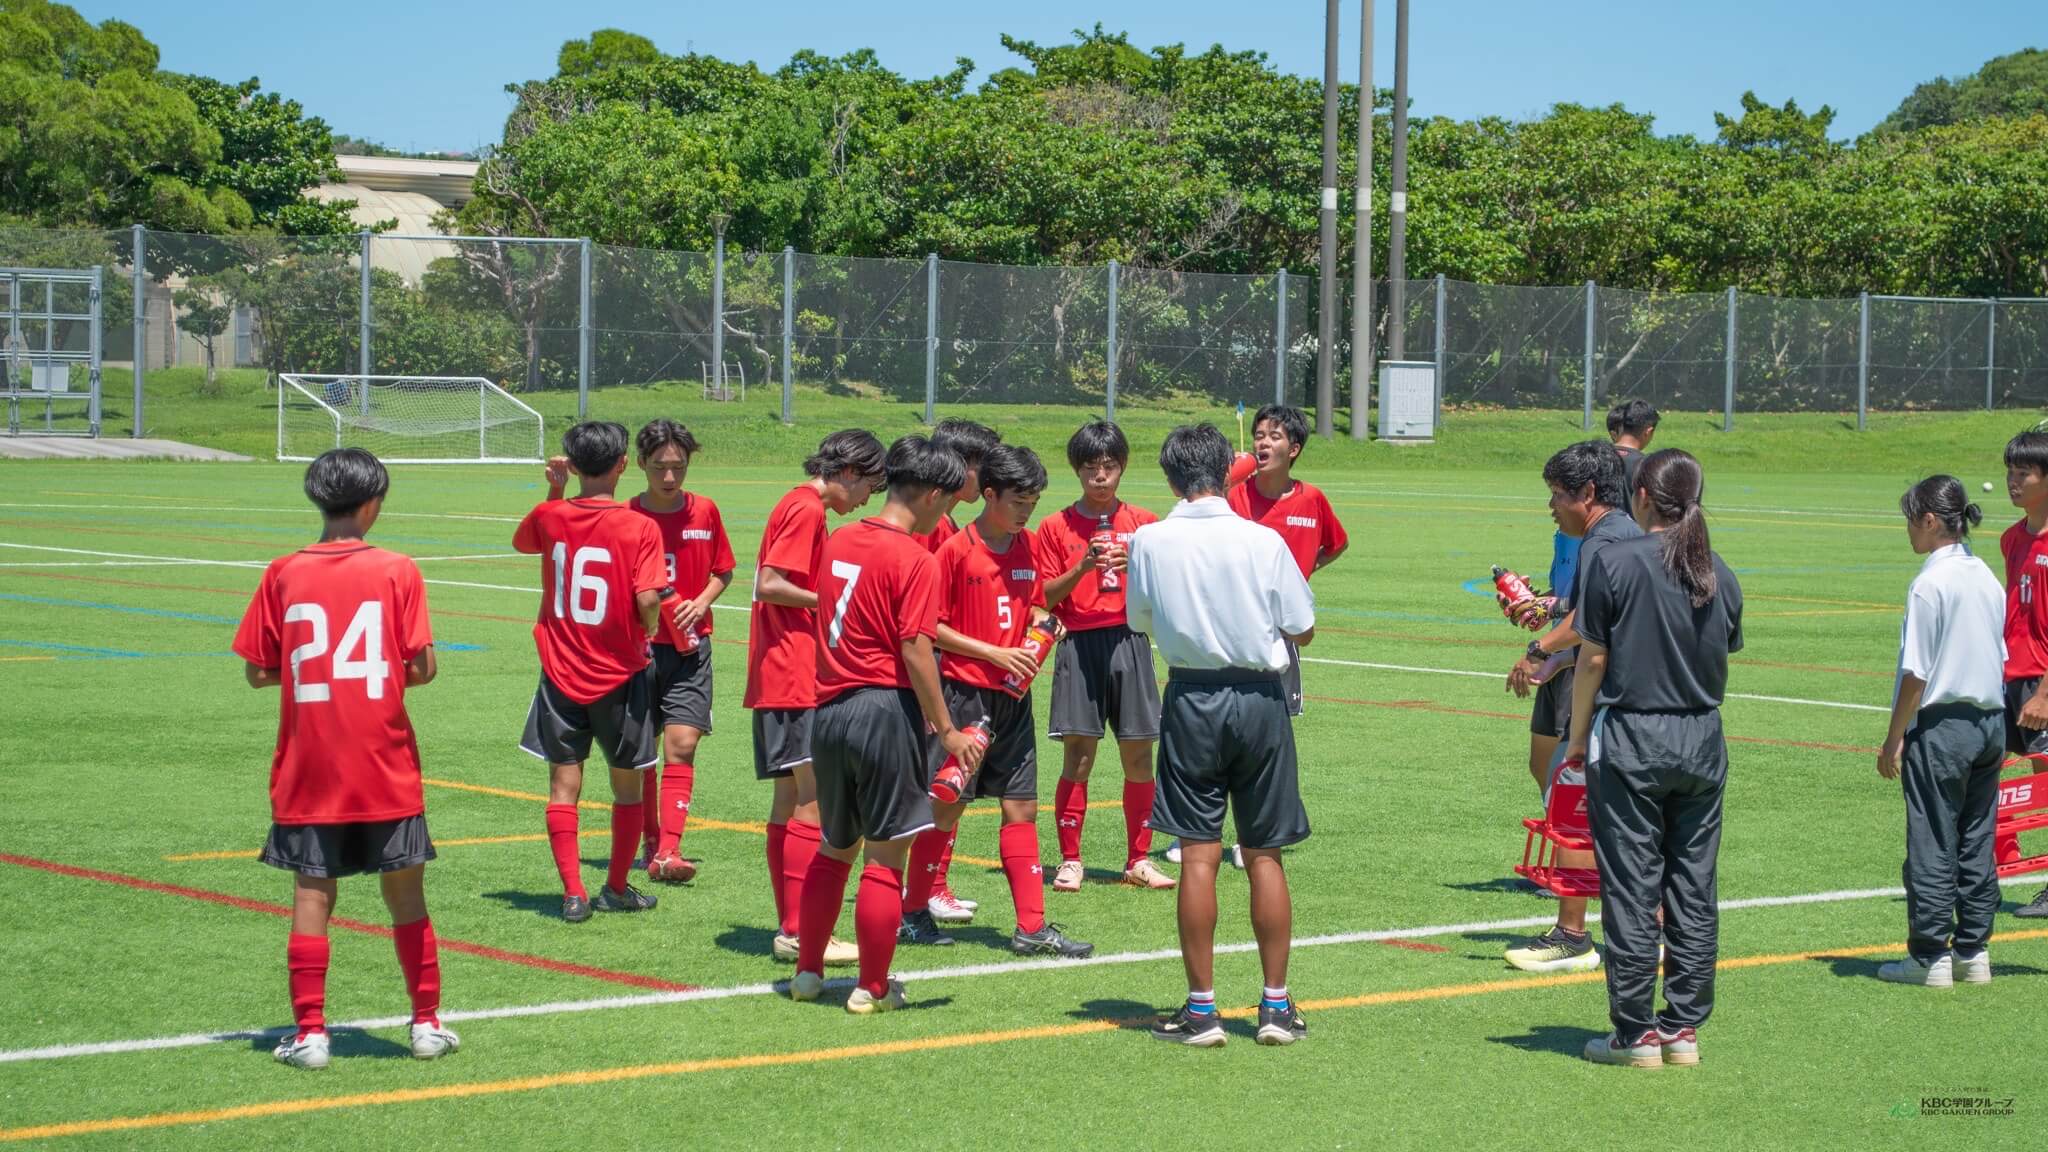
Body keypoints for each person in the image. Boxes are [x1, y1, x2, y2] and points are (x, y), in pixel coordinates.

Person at [235, 448, 458, 1069]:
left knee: (313, 895)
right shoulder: (397, 569)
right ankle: (426, 1024)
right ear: (372, 503)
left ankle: (311, 1034)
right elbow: (423, 667)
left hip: (310, 766)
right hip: (384, 761)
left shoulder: (283, 572)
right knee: (406, 896)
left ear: (317, 498)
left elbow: (257, 670)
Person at [1127, 423, 1315, 1049]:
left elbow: (1139, 619)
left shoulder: (1149, 539)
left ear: (1171, 478)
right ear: (1228, 472)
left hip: (1192, 696)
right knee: (1264, 853)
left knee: (1198, 855)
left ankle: (1202, 1010)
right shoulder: (1262, 538)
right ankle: (1275, 1007)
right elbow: (1302, 626)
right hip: (1260, 699)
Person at [788, 435, 985, 1014]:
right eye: (948, 500)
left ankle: (807, 971)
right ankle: (872, 987)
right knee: (884, 856)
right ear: (930, 495)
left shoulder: (840, 538)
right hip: (882, 710)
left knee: (835, 847)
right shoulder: (916, 558)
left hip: (829, 711)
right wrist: (947, 730)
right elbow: (916, 649)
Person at [1564, 448, 1743, 1069]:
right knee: (1693, 885)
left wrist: (1578, 736)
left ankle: (1636, 1031)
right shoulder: (1718, 571)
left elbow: (1592, 658)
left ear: (1642, 495)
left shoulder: (1614, 562)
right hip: (1702, 737)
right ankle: (1683, 1027)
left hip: (1635, 736)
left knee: (1633, 886)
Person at [898, 445, 1095, 957]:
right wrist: (993, 652)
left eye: (1033, 502)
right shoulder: (955, 551)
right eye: (1018, 502)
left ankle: (1032, 927)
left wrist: (1044, 628)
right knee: (946, 808)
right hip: (964, 695)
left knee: (1021, 806)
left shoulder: (1026, 546)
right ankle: (913, 912)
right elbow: (929, 628)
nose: (1026, 512)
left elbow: (1033, 607)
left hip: (1014, 699)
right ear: (989, 494)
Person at [517, 422, 668, 922]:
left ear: (574, 464)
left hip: (560, 669)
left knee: (564, 784)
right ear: (624, 464)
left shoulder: (552, 514)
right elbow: (649, 598)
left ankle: (573, 892)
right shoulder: (639, 526)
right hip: (620, 671)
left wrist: (556, 490)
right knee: (627, 787)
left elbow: (526, 541)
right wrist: (649, 628)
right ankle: (616, 887)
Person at [746, 429, 886, 965]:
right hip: (794, 671)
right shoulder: (806, 509)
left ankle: (792, 927)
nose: (868, 499)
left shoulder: (800, 504)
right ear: (848, 472)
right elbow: (769, 583)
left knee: (789, 800)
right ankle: (804, 931)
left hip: (779, 671)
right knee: (812, 799)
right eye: (868, 486)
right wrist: (833, 599)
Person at [1502, 441, 1641, 974]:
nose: (1552, 506)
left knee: (1572, 798)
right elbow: (1600, 626)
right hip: (1626, 693)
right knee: (1629, 817)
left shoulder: (1603, 543)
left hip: (1613, 699)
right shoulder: (1620, 535)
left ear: (1588, 492)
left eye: (1558, 494)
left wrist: (1541, 647)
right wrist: (1559, 661)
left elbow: (1586, 623)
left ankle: (1572, 935)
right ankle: (1649, 932)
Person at [1875, 477, 2005, 986]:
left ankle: (1930, 955)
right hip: (1989, 722)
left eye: (1911, 520)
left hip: (1943, 725)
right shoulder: (1985, 575)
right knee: (1977, 838)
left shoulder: (1930, 583)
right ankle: (1974, 949)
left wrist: (1894, 736)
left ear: (1930, 521)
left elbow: (1917, 674)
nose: (1907, 530)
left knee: (1932, 838)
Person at [1036, 420, 1172, 893]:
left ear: (1123, 467)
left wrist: (1134, 563)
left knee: (1139, 755)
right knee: (1078, 757)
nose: (1100, 476)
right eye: (1090, 467)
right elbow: (1043, 596)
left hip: (1130, 641)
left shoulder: (1146, 524)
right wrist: (1083, 567)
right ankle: (1070, 860)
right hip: (1079, 644)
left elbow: (1166, 587)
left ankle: (1139, 859)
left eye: (1109, 466)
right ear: (1076, 470)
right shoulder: (1054, 526)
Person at [627, 419, 735, 884]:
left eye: (679, 466)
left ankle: (669, 850)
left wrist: (702, 601)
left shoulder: (705, 511)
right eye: (659, 467)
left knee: (683, 743)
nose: (670, 477)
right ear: (640, 464)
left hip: (691, 648)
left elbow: (723, 570)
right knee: (643, 750)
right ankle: (651, 840)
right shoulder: (627, 516)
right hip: (639, 650)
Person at [911, 418, 1002, 923]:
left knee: (951, 784)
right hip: (930, 675)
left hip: (941, 672)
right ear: (961, 467)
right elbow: (924, 623)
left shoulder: (945, 525)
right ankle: (919, 890)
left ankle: (932, 885)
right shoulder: (933, 531)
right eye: (981, 467)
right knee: (941, 784)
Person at [1226, 403, 1349, 716]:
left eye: (1274, 436)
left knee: (1279, 717)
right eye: (1259, 436)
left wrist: (1302, 571)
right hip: (1235, 624)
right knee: (1230, 710)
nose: (1263, 443)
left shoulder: (1311, 499)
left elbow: (1337, 544)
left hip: (1284, 628)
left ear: (1293, 449)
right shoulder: (1233, 496)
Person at [1999, 429, 2048, 918]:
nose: (2013, 481)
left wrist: (2044, 694)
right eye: (2009, 472)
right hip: (2008, 677)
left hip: (2042, 685)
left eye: (2024, 474)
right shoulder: (2011, 538)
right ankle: (1993, 864)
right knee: (1980, 766)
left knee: (2047, 783)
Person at [1607, 398, 1659, 518]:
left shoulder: (1595, 457)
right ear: (1648, 432)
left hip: (1598, 530)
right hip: (1634, 529)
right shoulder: (1648, 466)